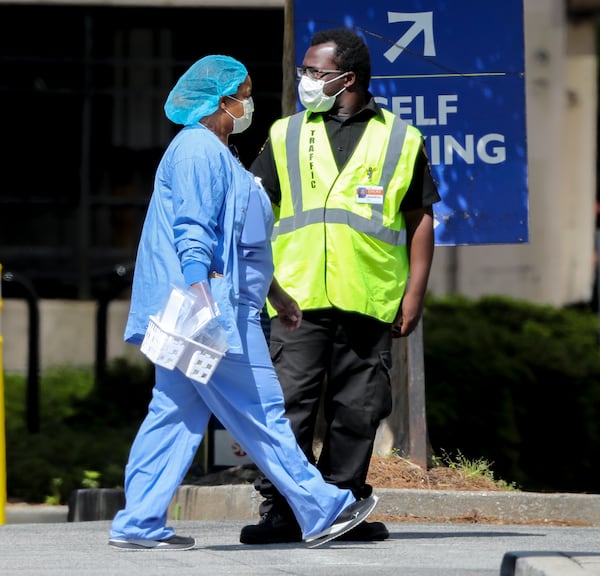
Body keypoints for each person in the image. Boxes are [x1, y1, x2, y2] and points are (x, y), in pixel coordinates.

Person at [108, 54, 379, 551]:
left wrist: (275, 292)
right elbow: (194, 228)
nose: (249, 102)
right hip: (211, 311)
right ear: (219, 100)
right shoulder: (197, 151)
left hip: (202, 306)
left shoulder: (215, 152)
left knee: (174, 413)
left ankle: (139, 522)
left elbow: (238, 238)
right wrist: (199, 294)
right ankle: (323, 508)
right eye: (243, 92)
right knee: (261, 410)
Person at [240, 29, 440, 545]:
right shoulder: (285, 133)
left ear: (346, 78)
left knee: (359, 408)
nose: (304, 79)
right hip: (295, 297)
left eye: (314, 71)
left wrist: (414, 292)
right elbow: (255, 209)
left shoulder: (402, 138)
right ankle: (283, 508)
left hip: (369, 296)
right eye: (304, 70)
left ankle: (341, 505)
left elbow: (419, 218)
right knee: (288, 404)